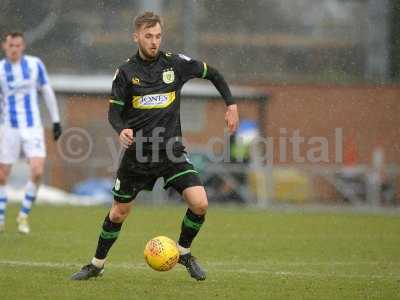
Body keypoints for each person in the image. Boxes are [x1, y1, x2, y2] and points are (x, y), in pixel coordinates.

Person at [71, 11, 239, 281]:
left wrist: (230, 105)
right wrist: (121, 129)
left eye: (158, 36)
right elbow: (114, 113)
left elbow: (213, 74)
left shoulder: (175, 64)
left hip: (171, 152)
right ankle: (96, 264)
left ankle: (184, 252)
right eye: (148, 36)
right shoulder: (126, 72)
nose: (154, 41)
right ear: (136, 36)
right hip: (138, 155)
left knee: (200, 204)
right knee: (118, 212)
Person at [0, 32, 62, 234]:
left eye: (18, 45)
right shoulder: (1, 70)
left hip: (32, 126)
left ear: (23, 46)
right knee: (2, 176)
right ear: (4, 46)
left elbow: (47, 91)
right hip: (8, 127)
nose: (14, 49)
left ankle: (23, 215)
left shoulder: (35, 65)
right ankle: (1, 217)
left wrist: (55, 120)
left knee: (36, 171)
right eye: (11, 45)